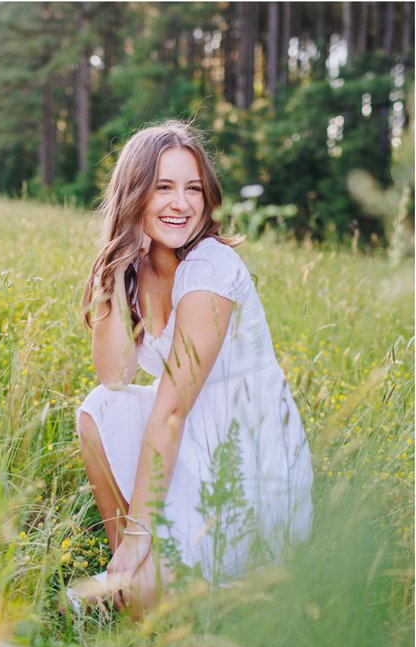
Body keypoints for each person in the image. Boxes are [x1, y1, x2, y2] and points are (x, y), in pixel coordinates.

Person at [69, 121, 312, 617]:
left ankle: (145, 572)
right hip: (188, 440)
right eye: (163, 187)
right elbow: (114, 375)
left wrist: (141, 529)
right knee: (96, 410)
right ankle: (134, 565)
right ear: (133, 193)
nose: (181, 203)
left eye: (193, 188)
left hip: (247, 460)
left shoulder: (210, 269)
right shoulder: (136, 269)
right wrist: (114, 270)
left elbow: (172, 411)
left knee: (138, 602)